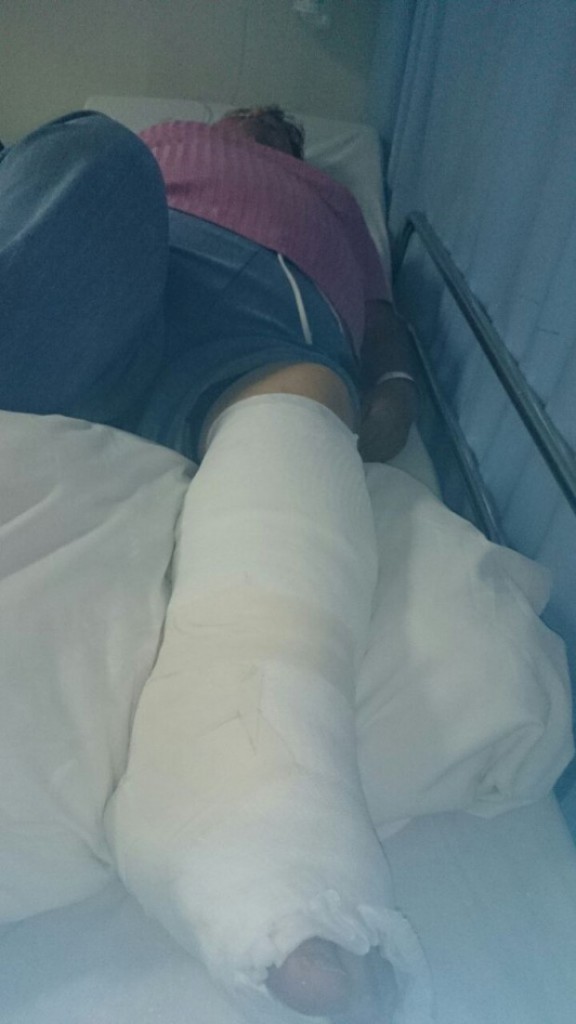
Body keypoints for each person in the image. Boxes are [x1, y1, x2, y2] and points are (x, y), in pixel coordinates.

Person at [0, 107, 417, 1022]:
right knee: (94, 157)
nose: (272, 121)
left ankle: (248, 823)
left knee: (301, 415)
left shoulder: (338, 203)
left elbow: (385, 323)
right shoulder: (164, 138)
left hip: (268, 331)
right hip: (126, 273)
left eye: (287, 126)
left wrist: (391, 389)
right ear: (222, 117)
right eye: (257, 114)